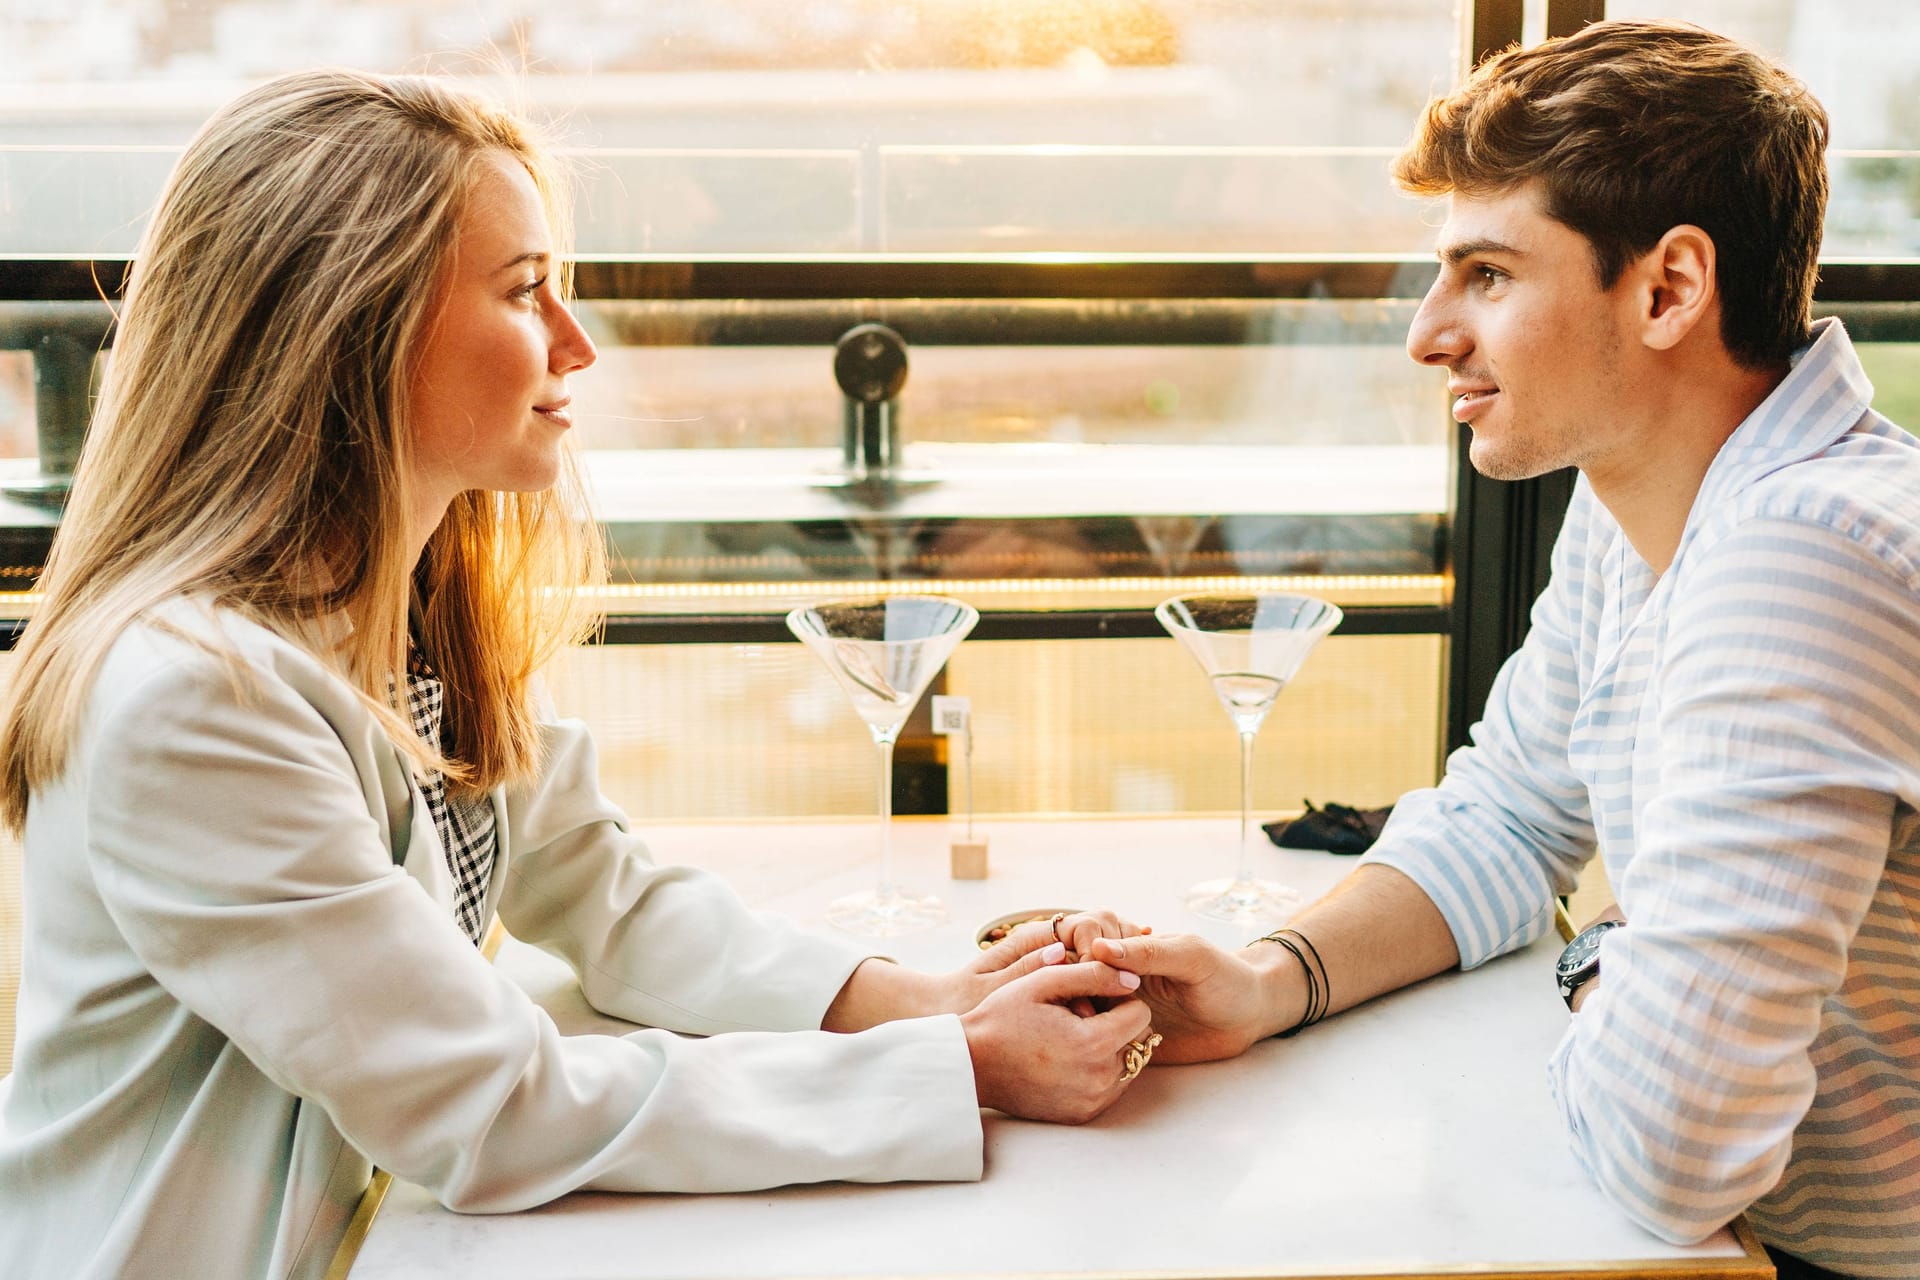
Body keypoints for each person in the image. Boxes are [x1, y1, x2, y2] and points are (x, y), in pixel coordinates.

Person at [0, 69, 1157, 1280]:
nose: (575, 343)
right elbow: (490, 1109)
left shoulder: (402, 609)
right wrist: (961, 1068)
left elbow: (604, 893)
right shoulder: (191, 702)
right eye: (525, 292)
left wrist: (923, 999)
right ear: (354, 327)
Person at [1087, 21, 1920, 1280]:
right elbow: (1512, 815)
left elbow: (1675, 1153)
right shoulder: (1647, 486)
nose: (1427, 333)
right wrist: (1271, 978)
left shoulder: (1799, 559)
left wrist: (1596, 951)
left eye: (1487, 274)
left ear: (1668, 290)